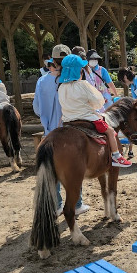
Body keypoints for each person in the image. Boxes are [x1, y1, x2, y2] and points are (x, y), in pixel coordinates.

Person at [33, 47, 89, 216]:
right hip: (71, 129)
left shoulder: (42, 81)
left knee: (51, 170)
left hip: (49, 131)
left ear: (53, 60)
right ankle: (77, 203)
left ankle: (57, 204)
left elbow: (36, 108)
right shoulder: (72, 80)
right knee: (75, 169)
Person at [59, 54, 131, 167]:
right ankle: (117, 156)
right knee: (111, 131)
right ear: (79, 71)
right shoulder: (83, 85)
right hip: (87, 118)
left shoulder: (62, 87)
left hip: (68, 119)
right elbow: (99, 102)